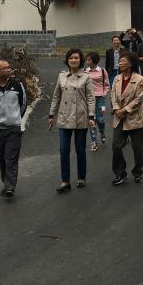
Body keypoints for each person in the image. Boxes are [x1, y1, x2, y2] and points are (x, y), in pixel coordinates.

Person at [49, 48, 95, 193]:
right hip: (64, 117)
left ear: (80, 60)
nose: (73, 60)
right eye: (71, 58)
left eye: (76, 58)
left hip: (80, 116)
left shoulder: (86, 77)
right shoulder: (62, 76)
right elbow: (56, 96)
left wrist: (91, 116)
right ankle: (65, 181)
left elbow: (91, 98)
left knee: (80, 150)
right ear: (67, 60)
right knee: (64, 150)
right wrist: (51, 114)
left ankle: (81, 177)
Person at [0, 58, 27, 198]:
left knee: (10, 158)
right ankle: (6, 182)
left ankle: (9, 186)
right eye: (4, 68)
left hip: (13, 129)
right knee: (1, 159)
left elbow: (23, 104)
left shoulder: (17, 85)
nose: (8, 70)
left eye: (9, 67)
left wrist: (15, 118)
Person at [111, 51, 143, 185]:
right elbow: (113, 95)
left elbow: (139, 99)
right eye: (119, 61)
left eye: (123, 61)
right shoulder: (117, 78)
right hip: (119, 117)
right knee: (116, 146)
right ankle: (120, 173)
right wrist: (116, 109)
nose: (120, 63)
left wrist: (124, 110)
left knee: (137, 148)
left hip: (135, 118)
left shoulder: (139, 79)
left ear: (131, 63)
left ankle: (138, 172)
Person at [85, 51, 110, 150]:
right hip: (89, 99)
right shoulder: (85, 71)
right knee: (92, 119)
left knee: (101, 119)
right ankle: (94, 141)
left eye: (89, 60)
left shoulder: (102, 71)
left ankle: (102, 132)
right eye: (86, 60)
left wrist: (104, 93)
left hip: (101, 99)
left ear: (94, 60)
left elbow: (107, 84)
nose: (87, 61)